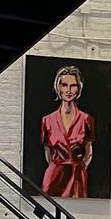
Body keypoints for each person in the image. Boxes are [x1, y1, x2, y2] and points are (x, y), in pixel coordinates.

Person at [37, 64, 95, 198]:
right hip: (54, 177)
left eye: (73, 85)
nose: (68, 90)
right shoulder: (47, 120)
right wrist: (57, 168)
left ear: (78, 88)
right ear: (58, 87)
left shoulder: (86, 119)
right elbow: (48, 154)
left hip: (77, 178)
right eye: (64, 85)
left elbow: (89, 153)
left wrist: (79, 169)